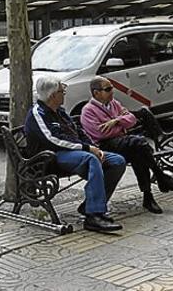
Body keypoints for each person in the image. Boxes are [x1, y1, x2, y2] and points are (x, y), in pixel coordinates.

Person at [23, 72, 127, 233]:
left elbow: (77, 131)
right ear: (52, 95)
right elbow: (53, 139)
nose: (64, 93)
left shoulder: (59, 110)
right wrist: (87, 149)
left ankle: (91, 206)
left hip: (71, 152)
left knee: (117, 161)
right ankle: (94, 216)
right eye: (61, 91)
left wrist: (94, 147)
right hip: (50, 157)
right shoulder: (38, 113)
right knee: (90, 159)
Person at [80, 77, 173, 215]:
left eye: (112, 88)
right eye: (108, 89)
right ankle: (160, 177)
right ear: (96, 93)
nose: (112, 92)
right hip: (104, 147)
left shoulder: (114, 104)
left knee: (139, 152)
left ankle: (149, 196)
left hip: (123, 143)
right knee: (138, 143)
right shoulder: (88, 111)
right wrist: (121, 125)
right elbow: (100, 133)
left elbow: (132, 120)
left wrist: (116, 121)